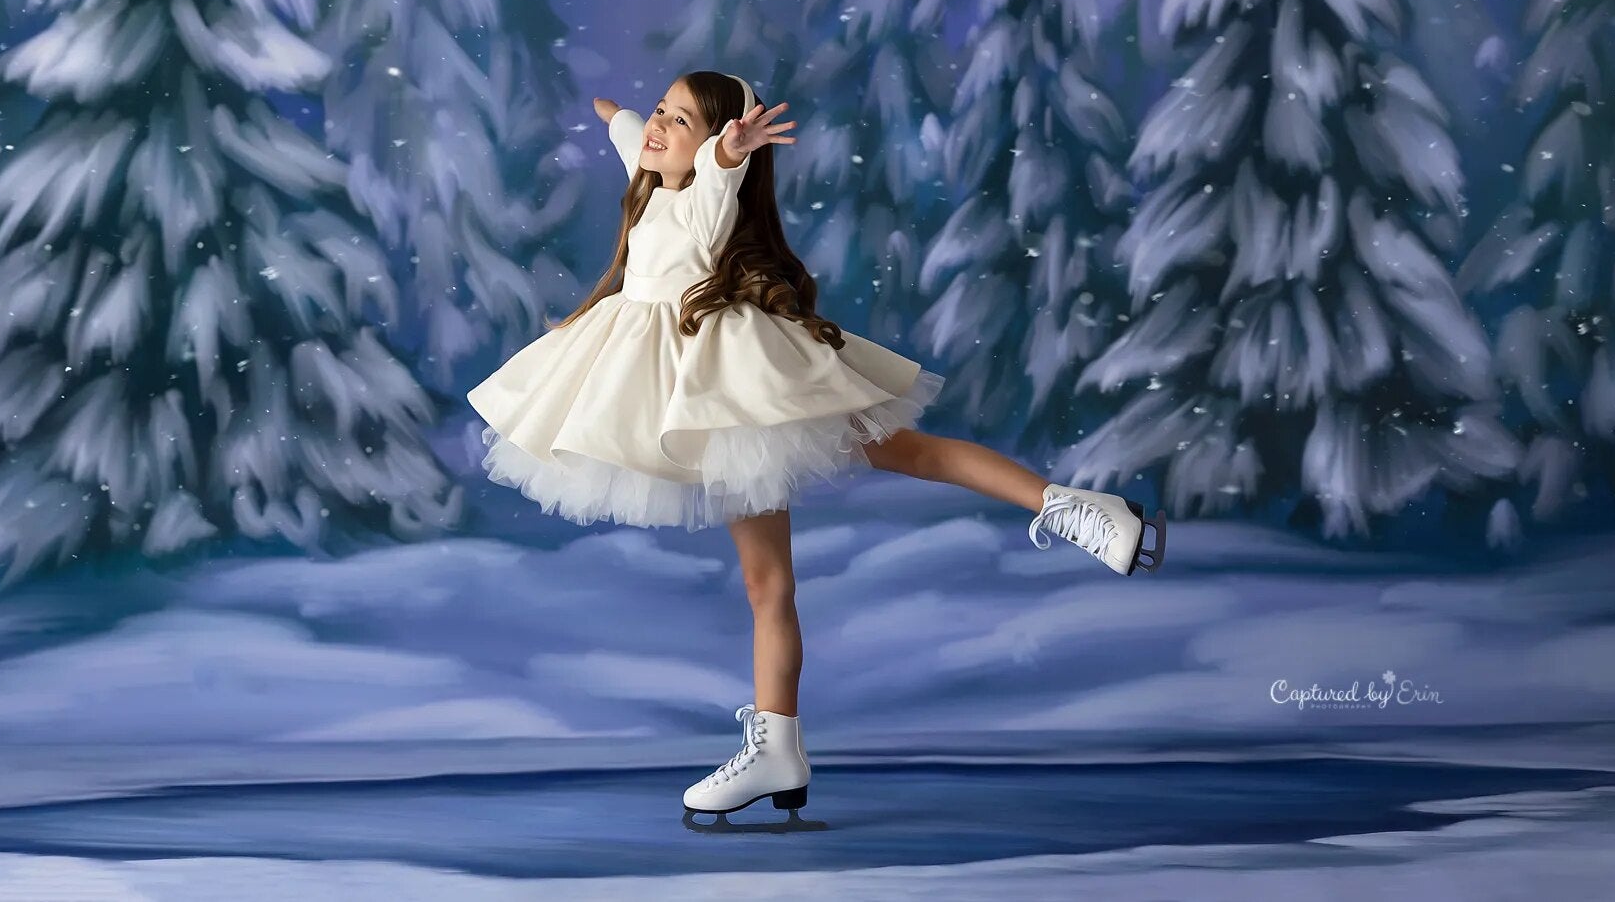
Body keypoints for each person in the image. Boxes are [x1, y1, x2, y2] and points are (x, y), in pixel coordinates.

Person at [466, 70, 1165, 831]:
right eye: (661, 114)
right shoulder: (652, 168)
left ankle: (1075, 510)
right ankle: (779, 747)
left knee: (910, 455)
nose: (660, 129)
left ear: (713, 149)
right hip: (708, 399)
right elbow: (632, 132)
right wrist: (620, 114)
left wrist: (727, 153)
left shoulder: (703, 194)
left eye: (680, 122)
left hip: (735, 386)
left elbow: (717, 173)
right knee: (768, 584)